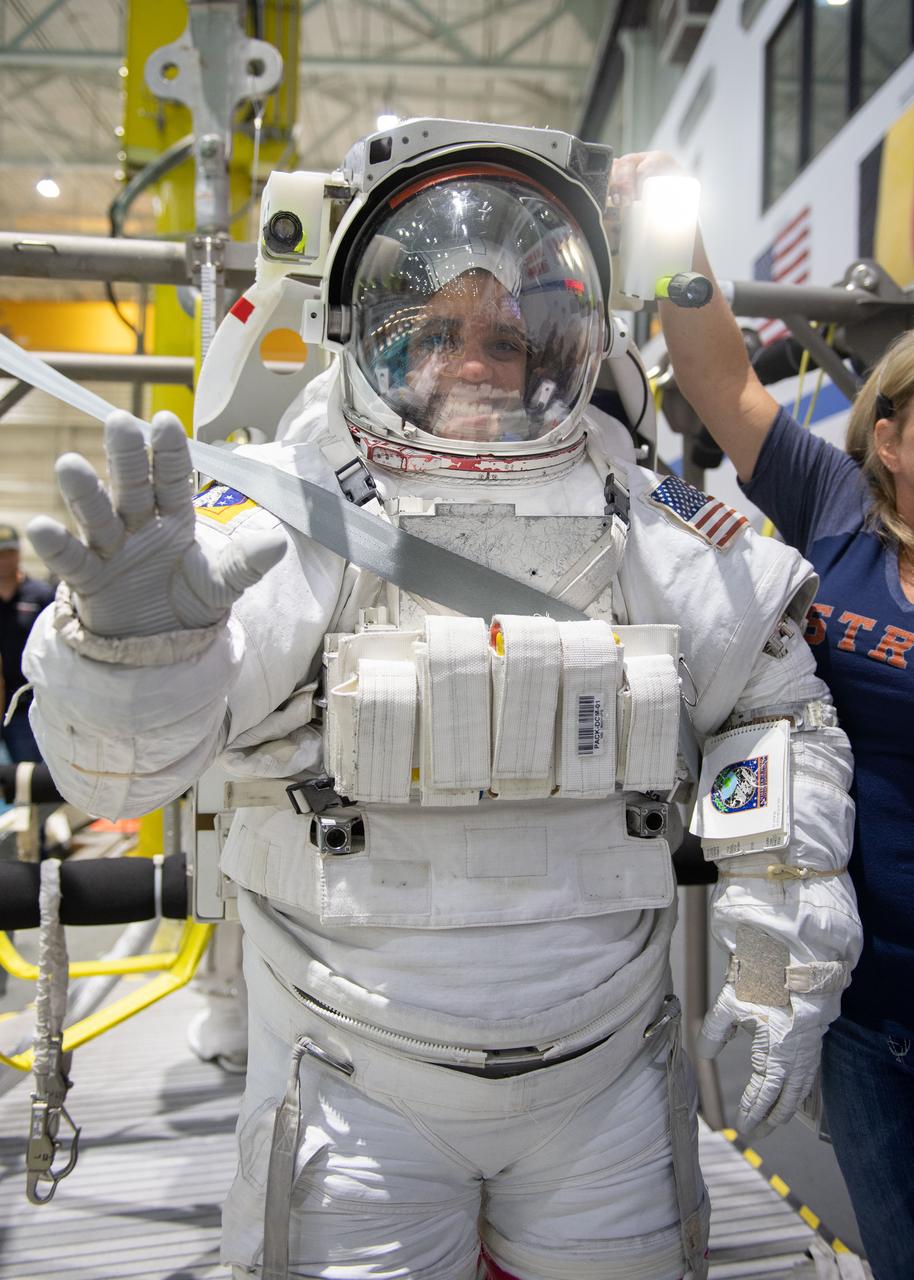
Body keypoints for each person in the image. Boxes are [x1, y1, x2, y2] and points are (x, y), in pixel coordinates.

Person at [21, 121, 861, 1280]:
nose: (476, 362)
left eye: (507, 340)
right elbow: (122, 769)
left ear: (562, 350)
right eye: (438, 333)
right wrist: (128, 650)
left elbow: (776, 711)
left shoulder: (632, 509)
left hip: (604, 1075)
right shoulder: (300, 520)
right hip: (353, 1082)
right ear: (370, 335)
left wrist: (782, 944)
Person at [612, 150, 914, 1280]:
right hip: (864, 1000)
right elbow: (716, 378)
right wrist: (670, 231)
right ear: (885, 438)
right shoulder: (832, 510)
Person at [0, 522, 54, 764]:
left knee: (31, 777)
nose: (4, 560)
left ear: (19, 553)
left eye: (9, 553)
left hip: (27, 704)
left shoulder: (40, 594)